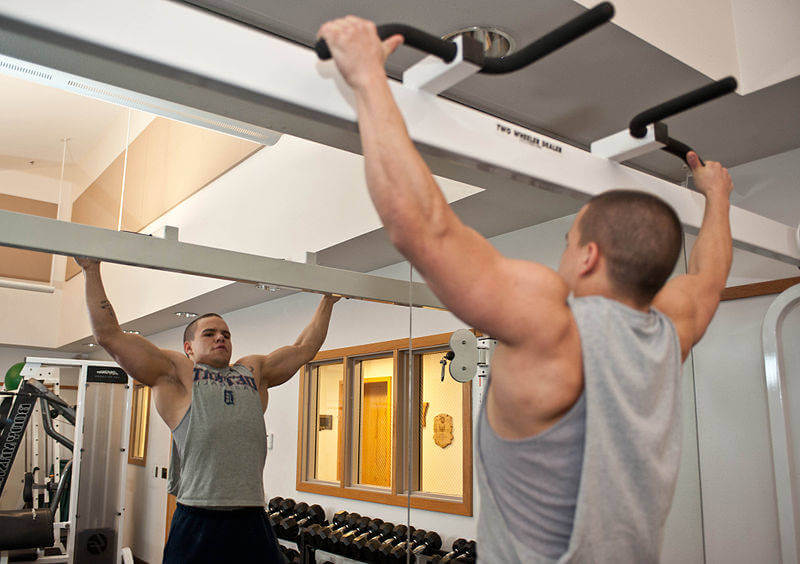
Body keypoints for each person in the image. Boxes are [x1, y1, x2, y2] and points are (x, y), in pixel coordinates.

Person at [317, 17, 733, 563]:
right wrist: (717, 197)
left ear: (588, 257)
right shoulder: (671, 333)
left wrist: (368, 74)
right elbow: (708, 278)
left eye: (568, 241)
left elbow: (424, 228)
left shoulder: (553, 327)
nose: (561, 255)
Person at [75, 258, 338, 564]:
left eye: (226, 334)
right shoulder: (177, 375)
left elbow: (304, 348)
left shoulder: (252, 372)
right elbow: (109, 336)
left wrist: (328, 301)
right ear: (189, 347)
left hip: (252, 517)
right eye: (210, 333)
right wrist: (91, 269)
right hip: (198, 518)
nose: (220, 338)